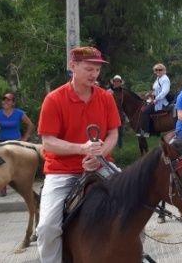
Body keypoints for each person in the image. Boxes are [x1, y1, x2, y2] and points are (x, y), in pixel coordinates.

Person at [36, 46, 121, 263]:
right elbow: (48, 142)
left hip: (102, 165)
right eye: (89, 69)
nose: (94, 74)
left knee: (133, 209)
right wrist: (82, 149)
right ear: (72, 66)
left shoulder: (105, 98)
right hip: (61, 171)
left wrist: (101, 152)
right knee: (47, 227)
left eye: (97, 70)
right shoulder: (54, 99)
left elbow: (113, 133)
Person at [0, 92, 35, 196]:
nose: (5, 101)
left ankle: (22, 187)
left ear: (13, 103)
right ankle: (2, 187)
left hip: (16, 143)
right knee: (1, 165)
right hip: (2, 143)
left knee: (18, 166)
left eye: (8, 100)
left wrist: (25, 138)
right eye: (4, 99)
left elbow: (30, 125)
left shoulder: (19, 113)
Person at [140, 63, 170, 137]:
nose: (158, 71)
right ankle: (154, 129)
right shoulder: (158, 78)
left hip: (161, 101)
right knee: (143, 106)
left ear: (164, 70)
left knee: (145, 111)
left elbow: (164, 91)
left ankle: (147, 132)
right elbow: (155, 90)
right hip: (155, 99)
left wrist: (155, 99)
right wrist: (150, 94)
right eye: (156, 70)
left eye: (160, 70)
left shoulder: (165, 79)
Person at [106, 75, 126, 148]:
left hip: (121, 113)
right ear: (113, 82)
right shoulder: (109, 92)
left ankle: (120, 147)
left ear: (120, 82)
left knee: (120, 132)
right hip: (111, 114)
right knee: (111, 131)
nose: (117, 82)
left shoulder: (123, 92)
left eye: (118, 81)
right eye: (115, 81)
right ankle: (110, 147)